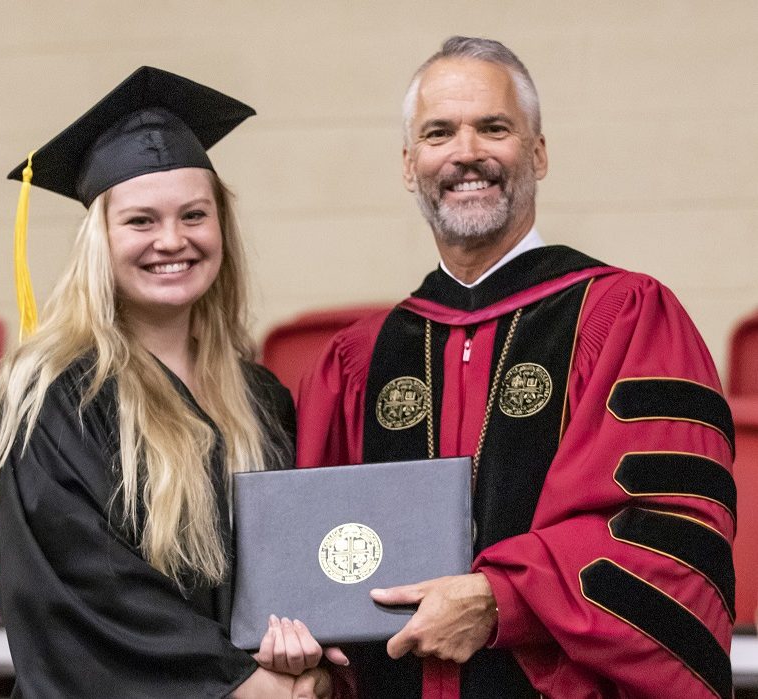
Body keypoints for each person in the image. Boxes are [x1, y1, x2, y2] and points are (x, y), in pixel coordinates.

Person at [296, 37, 736, 699]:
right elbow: (312, 559)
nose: (466, 151)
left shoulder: (623, 318)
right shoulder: (358, 358)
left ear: (537, 152)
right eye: (439, 132)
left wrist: (504, 597)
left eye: (493, 127)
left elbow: (674, 533)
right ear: (409, 164)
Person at [0, 67, 334, 698]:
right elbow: (77, 590)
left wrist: (311, 664)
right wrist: (236, 686)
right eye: (141, 221)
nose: (173, 240)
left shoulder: (259, 398)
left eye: (194, 215)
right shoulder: (50, 395)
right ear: (99, 242)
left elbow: (292, 566)